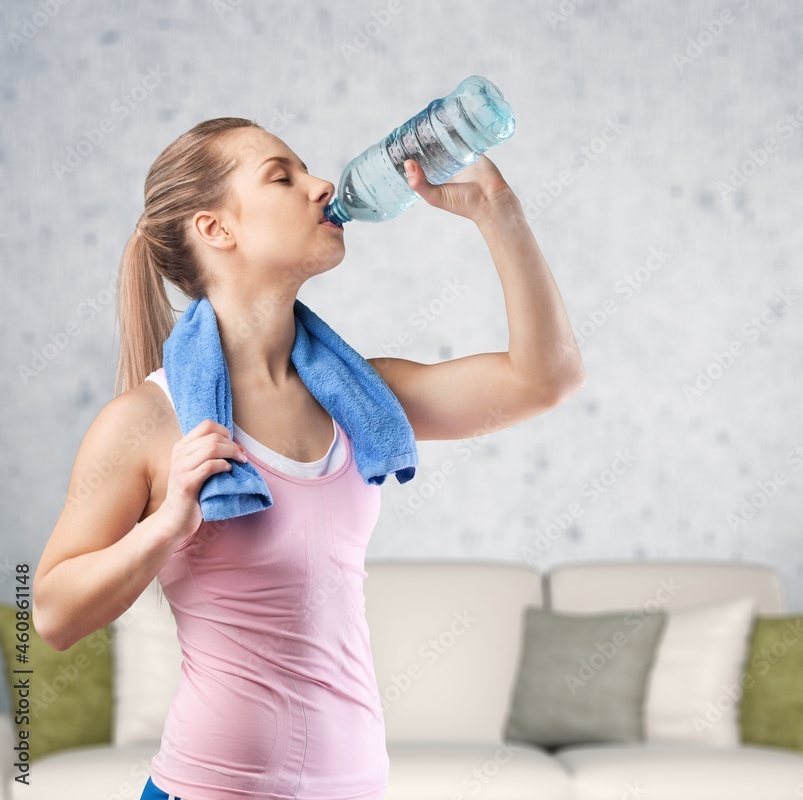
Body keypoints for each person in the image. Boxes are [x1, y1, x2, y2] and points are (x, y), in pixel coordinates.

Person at [32, 117, 585, 800]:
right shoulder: (148, 422)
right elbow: (53, 617)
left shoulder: (359, 402)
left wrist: (501, 217)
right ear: (216, 229)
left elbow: (545, 379)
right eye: (282, 176)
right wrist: (165, 526)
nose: (323, 186)